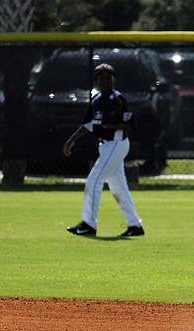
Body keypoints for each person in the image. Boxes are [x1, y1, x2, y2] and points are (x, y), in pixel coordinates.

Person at [64, 63, 144, 237]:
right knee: (118, 188)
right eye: (102, 78)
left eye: (109, 78)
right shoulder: (96, 100)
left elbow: (131, 125)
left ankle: (88, 224)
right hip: (106, 146)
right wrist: (72, 140)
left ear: (114, 80)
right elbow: (88, 125)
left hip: (116, 144)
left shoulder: (119, 100)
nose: (105, 81)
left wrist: (114, 125)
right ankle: (135, 225)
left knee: (93, 181)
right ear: (96, 81)